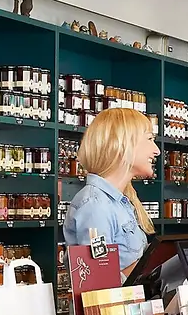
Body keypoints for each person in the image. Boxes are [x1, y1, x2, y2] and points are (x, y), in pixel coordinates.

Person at [62, 107, 158, 276]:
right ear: (123, 144)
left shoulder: (120, 202)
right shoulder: (95, 205)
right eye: (149, 139)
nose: (156, 150)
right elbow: (99, 279)